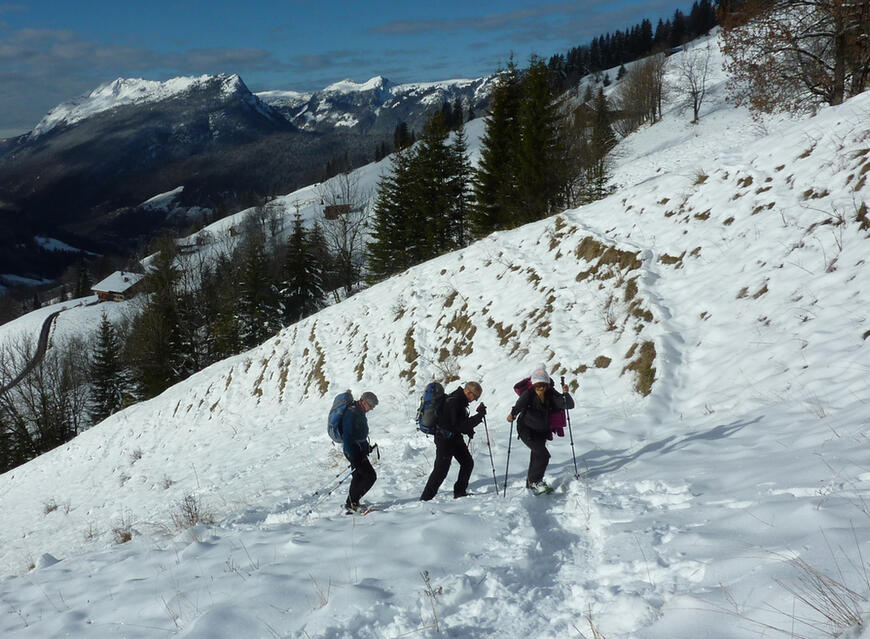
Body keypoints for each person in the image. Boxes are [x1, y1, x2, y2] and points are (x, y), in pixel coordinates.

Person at [507, 365, 574, 493]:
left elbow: (568, 405)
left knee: (537, 456)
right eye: (538, 385)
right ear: (533, 385)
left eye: (543, 385)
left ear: (547, 385)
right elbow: (518, 405)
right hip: (526, 430)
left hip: (542, 431)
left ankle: (531, 484)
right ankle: (535, 482)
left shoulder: (551, 394)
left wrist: (566, 394)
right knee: (543, 455)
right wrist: (512, 415)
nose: (541, 388)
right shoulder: (528, 394)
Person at [420, 381, 486, 501]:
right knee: (441, 471)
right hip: (445, 440)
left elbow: (457, 423)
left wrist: (469, 429)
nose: (475, 400)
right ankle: (425, 499)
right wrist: (478, 417)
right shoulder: (455, 401)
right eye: (475, 397)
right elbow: (460, 425)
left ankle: (460, 492)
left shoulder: (459, 400)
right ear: (468, 392)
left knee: (467, 463)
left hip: (454, 437)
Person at [342, 391, 379, 513]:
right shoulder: (352, 413)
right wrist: (353, 457)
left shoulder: (359, 411)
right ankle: (352, 503)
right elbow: (347, 436)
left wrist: (366, 447)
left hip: (358, 450)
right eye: (371, 406)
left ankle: (351, 503)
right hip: (353, 451)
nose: (371, 409)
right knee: (370, 476)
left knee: (358, 477)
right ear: (364, 402)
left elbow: (359, 434)